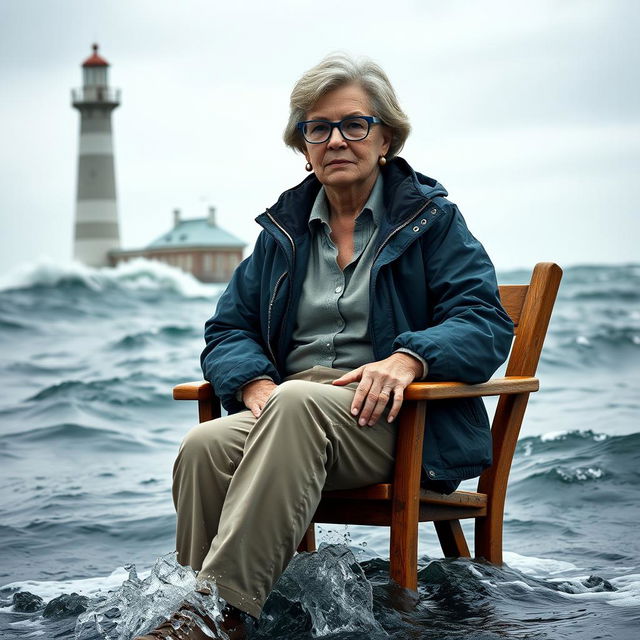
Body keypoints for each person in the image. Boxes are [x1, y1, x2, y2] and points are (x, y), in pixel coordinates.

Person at [135, 53, 513, 640]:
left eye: (354, 124)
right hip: (292, 414)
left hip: (395, 418)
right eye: (318, 128)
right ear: (303, 145)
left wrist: (409, 357)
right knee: (205, 442)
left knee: (294, 405)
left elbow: (485, 321)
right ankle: (193, 607)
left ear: (386, 137)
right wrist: (255, 383)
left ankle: (218, 618)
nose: (336, 139)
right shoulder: (281, 233)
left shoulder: (432, 221)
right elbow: (227, 329)